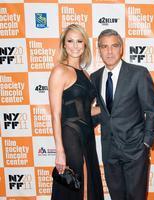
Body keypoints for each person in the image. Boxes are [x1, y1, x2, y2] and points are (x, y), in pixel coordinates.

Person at [91, 29, 154, 200]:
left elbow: (151, 111)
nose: (109, 51)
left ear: (121, 48)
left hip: (135, 150)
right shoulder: (95, 77)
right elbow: (104, 112)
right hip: (109, 151)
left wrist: (146, 143)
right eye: (104, 46)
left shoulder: (138, 73)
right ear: (98, 49)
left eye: (114, 46)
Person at [48, 24, 104, 200]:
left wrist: (115, 108)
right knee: (73, 185)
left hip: (87, 136)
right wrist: (59, 150)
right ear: (64, 45)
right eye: (70, 41)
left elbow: (85, 111)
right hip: (70, 136)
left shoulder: (86, 75)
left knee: (88, 184)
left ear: (85, 45)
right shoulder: (59, 71)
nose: (75, 45)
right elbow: (56, 115)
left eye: (79, 41)